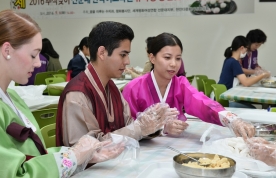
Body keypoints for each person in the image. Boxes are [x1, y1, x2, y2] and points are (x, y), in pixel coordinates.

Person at [0, 10, 124, 178]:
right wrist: (73, 157)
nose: (39, 62)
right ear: (7, 50)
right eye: (33, 54)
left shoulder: (11, 96)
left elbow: (34, 155)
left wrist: (81, 156)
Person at [56, 21, 177, 147]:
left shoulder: (112, 87)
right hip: (93, 167)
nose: (127, 61)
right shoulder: (78, 94)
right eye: (123, 55)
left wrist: (152, 124)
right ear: (102, 52)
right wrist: (139, 128)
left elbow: (129, 127)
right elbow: (85, 149)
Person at [122, 33, 255, 138]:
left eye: (178, 58)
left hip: (174, 147)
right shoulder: (133, 88)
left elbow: (203, 103)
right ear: (152, 58)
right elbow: (127, 128)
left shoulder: (180, 84)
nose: (174, 64)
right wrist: (162, 128)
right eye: (167, 57)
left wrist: (231, 120)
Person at [218, 36, 270, 108]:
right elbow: (246, 82)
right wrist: (262, 75)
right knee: (253, 108)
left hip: (221, 96)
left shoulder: (229, 59)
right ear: (242, 48)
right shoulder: (234, 62)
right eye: (246, 49)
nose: (246, 52)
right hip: (225, 100)